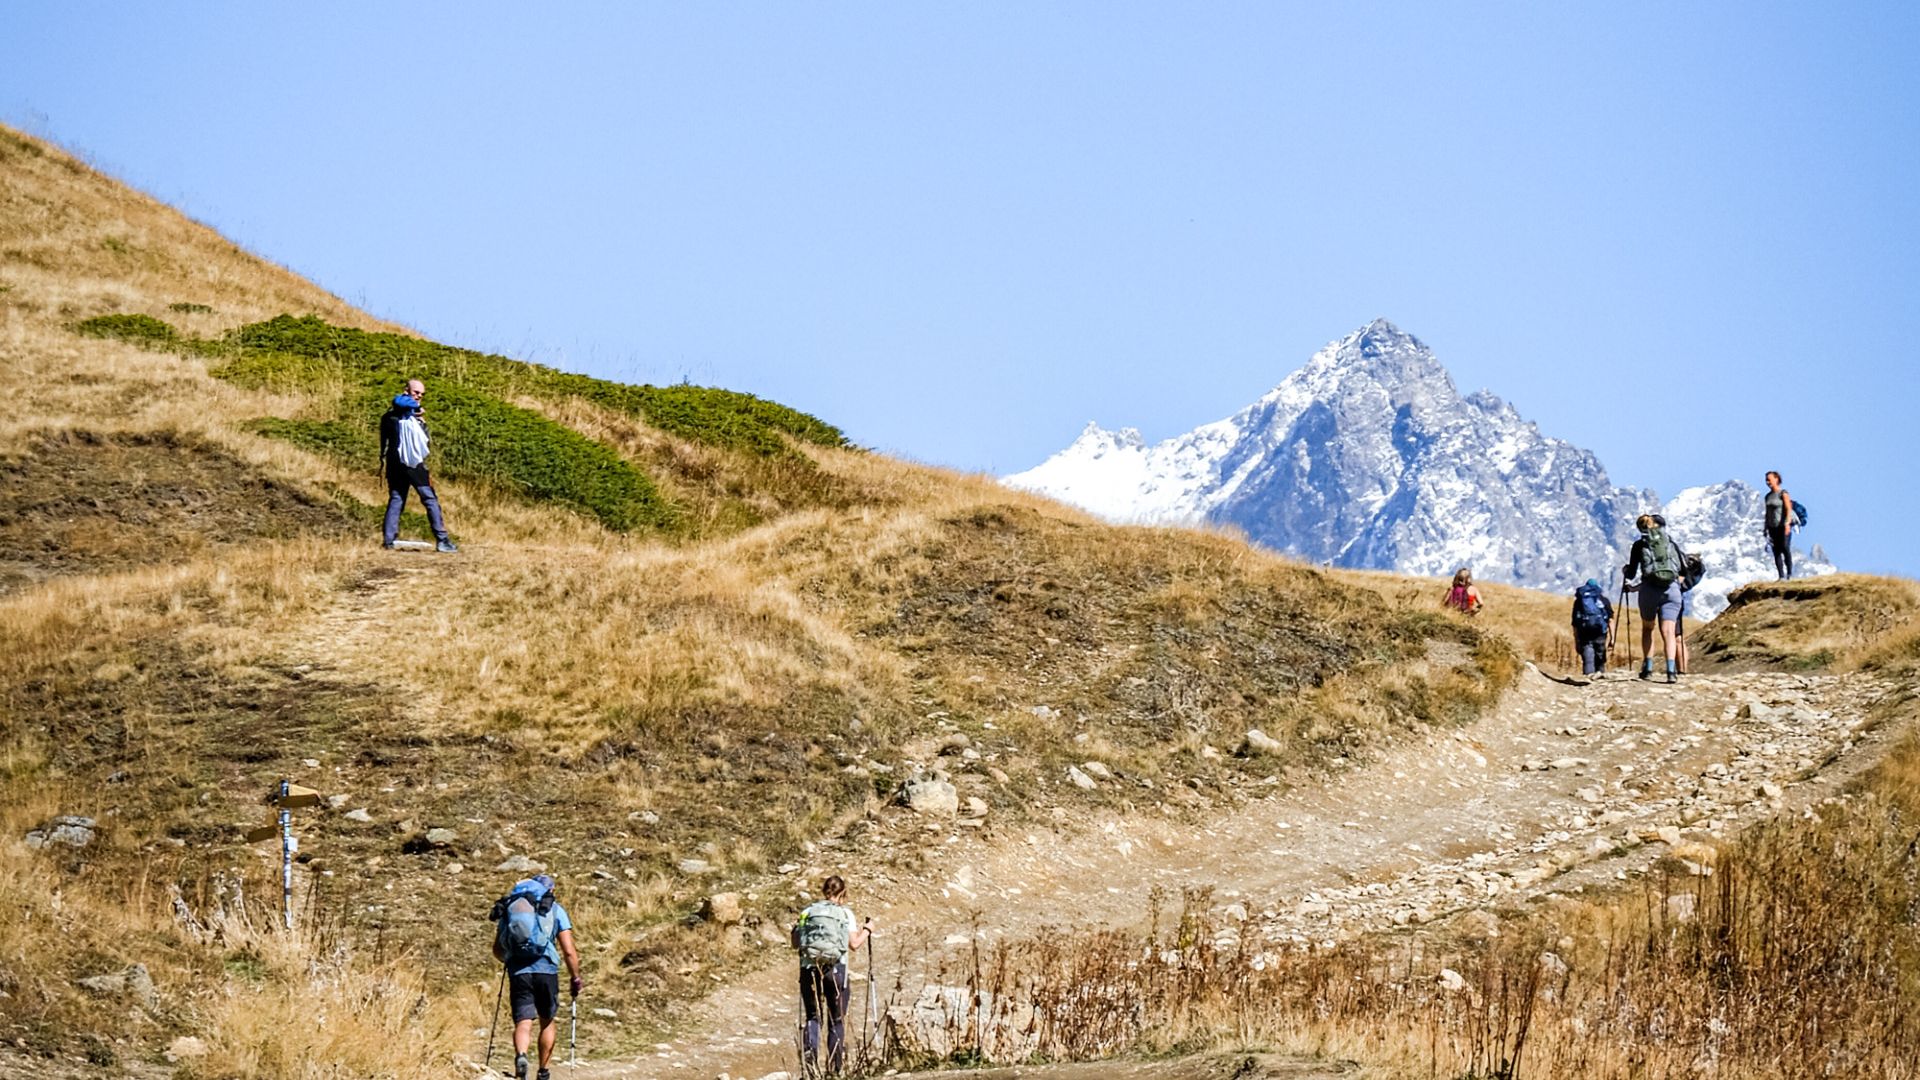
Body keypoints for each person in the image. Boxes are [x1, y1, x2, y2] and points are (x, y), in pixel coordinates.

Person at [491, 874, 582, 1080]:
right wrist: (575, 977)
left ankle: (521, 1057)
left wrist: (509, 960)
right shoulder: (555, 910)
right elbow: (569, 951)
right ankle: (543, 1071)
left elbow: (497, 949)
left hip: (518, 971)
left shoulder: (513, 909)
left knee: (523, 1021)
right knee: (547, 1021)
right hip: (546, 970)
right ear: (550, 890)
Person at [791, 875, 873, 1076]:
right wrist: (868, 930)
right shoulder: (845, 914)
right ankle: (835, 1070)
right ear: (843, 893)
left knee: (812, 1017)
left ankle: (810, 1069)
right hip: (836, 970)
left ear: (823, 891)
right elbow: (853, 944)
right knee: (836, 1019)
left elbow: (795, 943)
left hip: (809, 969)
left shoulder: (807, 912)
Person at [378, 378, 456, 552]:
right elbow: (400, 401)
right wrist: (417, 409)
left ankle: (389, 540)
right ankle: (442, 539)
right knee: (429, 498)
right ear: (406, 391)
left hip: (393, 463)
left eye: (421, 394)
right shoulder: (403, 411)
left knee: (397, 498)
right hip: (413, 465)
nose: (419, 396)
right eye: (416, 392)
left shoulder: (389, 416)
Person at [1622, 513, 1688, 683]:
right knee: (1669, 632)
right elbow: (1683, 568)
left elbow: (1631, 573)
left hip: (1649, 589)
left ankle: (1648, 667)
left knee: (1648, 628)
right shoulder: (1669, 541)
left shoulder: (1639, 545)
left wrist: (1626, 571)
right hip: (1672, 589)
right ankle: (1671, 671)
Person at [1571, 578, 1613, 678]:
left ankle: (1588, 676)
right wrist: (1613, 637)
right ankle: (1600, 673)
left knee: (1587, 652)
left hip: (1584, 631)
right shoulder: (1603, 600)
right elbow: (1611, 620)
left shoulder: (1579, 601)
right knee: (1600, 651)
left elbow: (1575, 623)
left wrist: (1576, 640)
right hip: (1600, 631)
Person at [1764, 470, 1794, 579]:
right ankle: (1781, 575)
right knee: (1776, 551)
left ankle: (1789, 573)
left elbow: (1788, 509)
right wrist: (1765, 528)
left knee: (1785, 548)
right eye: (1766, 480)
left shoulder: (1783, 493)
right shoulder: (1767, 497)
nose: (1767, 482)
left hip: (1783, 526)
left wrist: (1787, 524)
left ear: (1776, 479)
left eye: (1769, 479)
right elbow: (1767, 513)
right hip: (1772, 527)